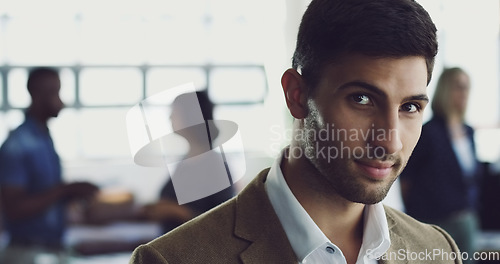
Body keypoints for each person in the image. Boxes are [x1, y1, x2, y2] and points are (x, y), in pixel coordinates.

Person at [130, 0, 462, 263]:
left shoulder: (438, 252)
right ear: (297, 95)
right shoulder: (170, 260)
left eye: (410, 107)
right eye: (362, 99)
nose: (390, 140)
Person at [0, 67, 99, 264]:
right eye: (54, 92)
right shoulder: (18, 145)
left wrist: (72, 194)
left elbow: (45, 196)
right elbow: (14, 208)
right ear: (35, 94)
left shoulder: (45, 139)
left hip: (52, 249)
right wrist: (64, 190)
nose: (61, 101)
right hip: (27, 253)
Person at [400, 67, 481, 264]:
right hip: (434, 221)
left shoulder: (468, 131)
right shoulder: (428, 132)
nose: (464, 93)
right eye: (458, 87)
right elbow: (406, 180)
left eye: (467, 88)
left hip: (466, 219)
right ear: (445, 90)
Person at [141, 90, 235, 233]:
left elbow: (222, 223)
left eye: (175, 112)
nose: (170, 117)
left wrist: (177, 212)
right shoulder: (186, 161)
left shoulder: (215, 167)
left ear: (191, 116)